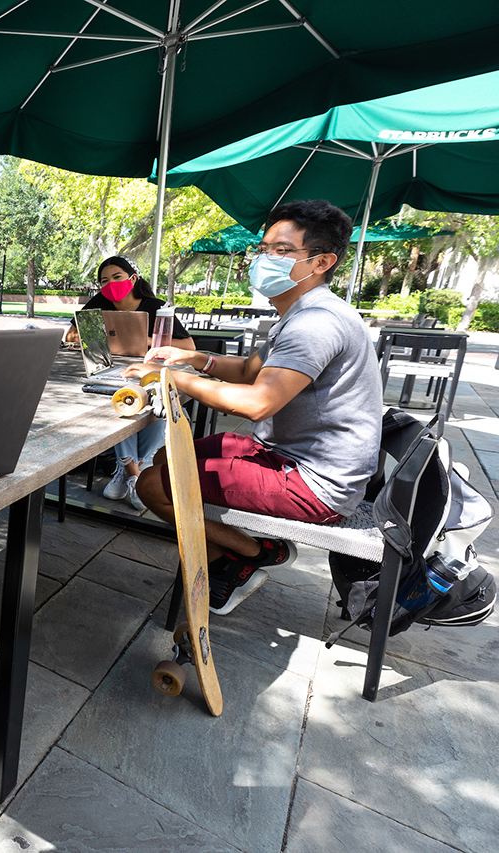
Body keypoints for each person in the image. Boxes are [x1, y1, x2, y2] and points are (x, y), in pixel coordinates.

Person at [126, 199, 383, 615]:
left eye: (283, 251)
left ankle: (256, 553)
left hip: (315, 483)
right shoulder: (299, 313)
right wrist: (194, 360)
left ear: (322, 262)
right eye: (264, 249)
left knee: (153, 485)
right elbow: (250, 371)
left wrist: (168, 378)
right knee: (164, 456)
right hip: (289, 457)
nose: (266, 259)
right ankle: (233, 558)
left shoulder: (315, 323)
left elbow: (258, 402)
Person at [65, 256, 195, 510]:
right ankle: (135, 473)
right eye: (104, 280)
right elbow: (71, 333)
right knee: (119, 400)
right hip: (111, 371)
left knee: (156, 399)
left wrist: (145, 339)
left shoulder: (155, 307)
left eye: (117, 277)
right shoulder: (100, 303)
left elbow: (188, 346)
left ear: (133, 279)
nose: (111, 284)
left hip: (150, 370)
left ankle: (129, 471)